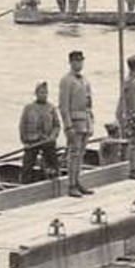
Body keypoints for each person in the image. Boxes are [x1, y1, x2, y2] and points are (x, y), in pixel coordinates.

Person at [59, 50, 94, 196]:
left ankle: (78, 181)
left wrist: (91, 121)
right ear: (71, 62)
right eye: (76, 61)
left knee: (81, 154)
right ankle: (71, 184)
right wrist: (68, 125)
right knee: (73, 153)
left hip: (85, 120)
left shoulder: (84, 80)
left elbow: (89, 104)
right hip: (74, 122)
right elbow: (63, 106)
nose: (79, 63)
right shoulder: (67, 80)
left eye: (81, 61)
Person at [18, 82, 61, 183]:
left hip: (47, 141)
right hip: (32, 141)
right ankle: (25, 182)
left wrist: (53, 136)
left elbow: (57, 125)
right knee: (27, 164)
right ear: (36, 93)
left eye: (46, 93)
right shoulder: (28, 108)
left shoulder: (51, 108)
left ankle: (55, 177)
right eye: (41, 92)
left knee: (53, 161)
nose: (44, 95)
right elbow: (22, 126)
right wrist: (25, 142)